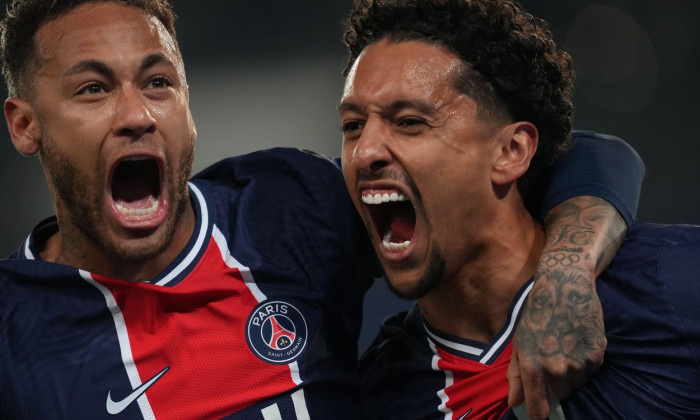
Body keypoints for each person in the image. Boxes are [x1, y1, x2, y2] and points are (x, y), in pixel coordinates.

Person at [0, 0, 643, 418]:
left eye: (158, 83)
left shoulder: (286, 210)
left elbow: (574, 155)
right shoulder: (11, 330)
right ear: (25, 125)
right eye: (92, 89)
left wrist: (565, 273)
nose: (138, 115)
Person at [339, 0, 700, 419]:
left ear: (511, 151)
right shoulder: (381, 398)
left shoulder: (671, 286)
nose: (364, 152)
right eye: (352, 126)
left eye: (409, 122)